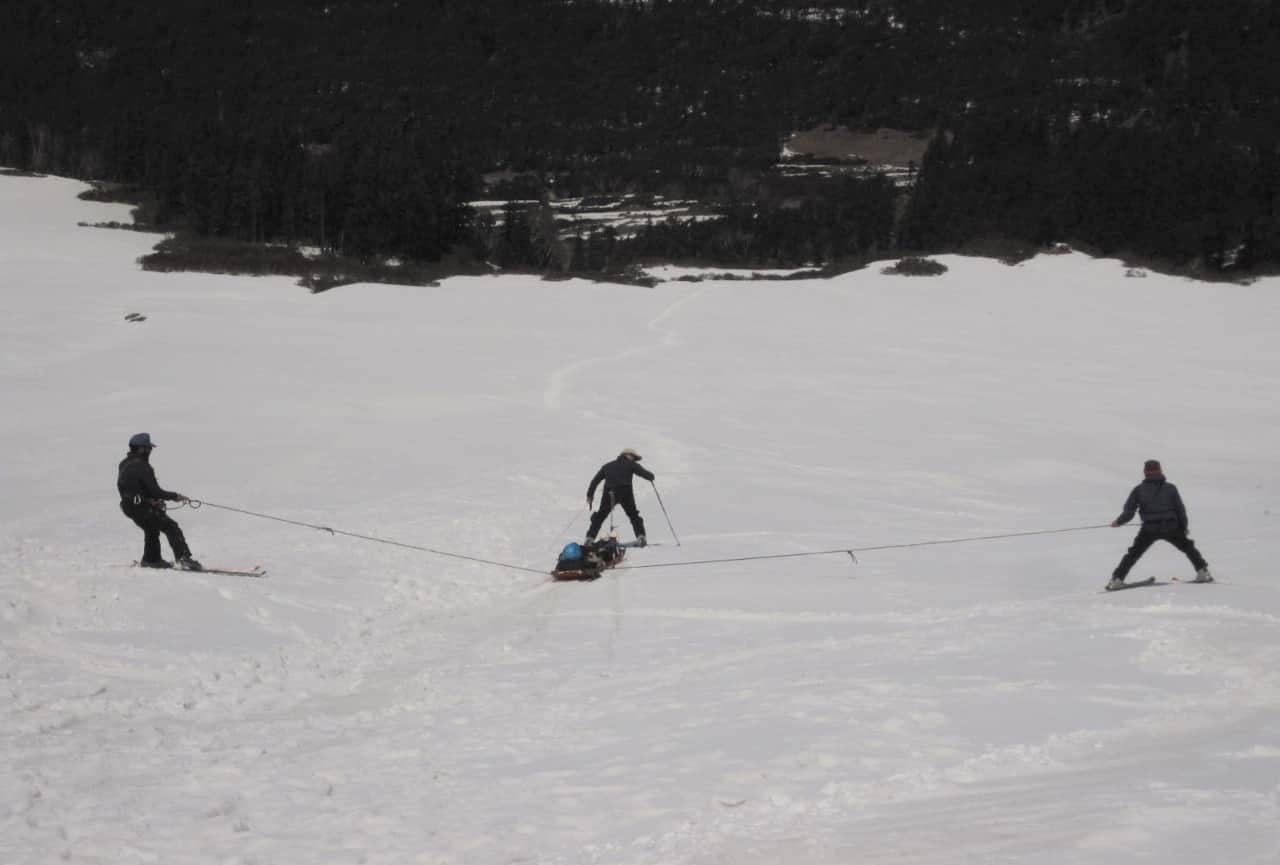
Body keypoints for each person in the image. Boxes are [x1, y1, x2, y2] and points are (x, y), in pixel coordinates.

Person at [1107, 459, 1211, 590]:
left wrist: (1118, 522)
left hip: (1149, 529)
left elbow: (1129, 512)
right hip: (1171, 527)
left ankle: (1117, 579)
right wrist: (1183, 527)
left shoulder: (1138, 490)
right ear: (1160, 470)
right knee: (1188, 547)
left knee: (1133, 554)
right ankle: (1203, 572)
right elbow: (1180, 510)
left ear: (1145, 472)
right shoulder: (1171, 488)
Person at [117, 432, 203, 571]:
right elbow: (154, 491)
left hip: (129, 507)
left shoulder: (124, 463)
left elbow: (131, 488)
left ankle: (151, 559)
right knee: (171, 527)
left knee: (151, 528)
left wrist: (150, 501)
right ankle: (183, 559)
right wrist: (175, 496)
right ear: (141, 449)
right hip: (142, 508)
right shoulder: (142, 466)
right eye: (148, 448)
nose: (150, 451)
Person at [585, 448, 654, 546]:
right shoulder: (631, 464)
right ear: (628, 455)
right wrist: (651, 477)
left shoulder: (607, 466)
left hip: (609, 493)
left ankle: (589, 538)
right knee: (633, 515)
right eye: (634, 458)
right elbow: (647, 475)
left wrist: (590, 495)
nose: (634, 460)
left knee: (600, 516)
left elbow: (595, 481)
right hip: (625, 492)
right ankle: (641, 537)